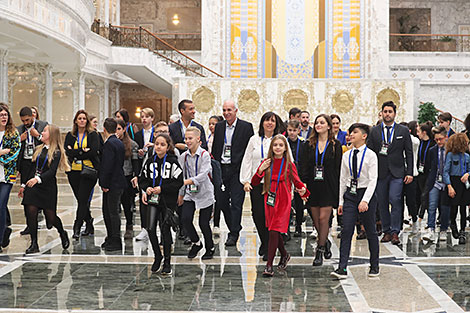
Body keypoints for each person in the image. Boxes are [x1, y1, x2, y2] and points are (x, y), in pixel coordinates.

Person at [252, 134, 308, 277]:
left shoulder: (289, 164)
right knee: (273, 230)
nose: (278, 147)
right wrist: (259, 171)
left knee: (273, 231)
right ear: (272, 147)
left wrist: (305, 192)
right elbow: (254, 183)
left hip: (283, 200)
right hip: (269, 199)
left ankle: (269, 265)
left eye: (281, 145)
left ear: (285, 148)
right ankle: (284, 254)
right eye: (275, 145)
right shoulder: (267, 162)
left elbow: (297, 181)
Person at [331, 123, 379, 279]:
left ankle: (374, 265)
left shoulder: (371, 155)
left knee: (370, 230)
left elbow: (373, 180)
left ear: (364, 136)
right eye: (350, 132)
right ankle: (342, 267)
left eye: (355, 132)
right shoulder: (347, 155)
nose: (351, 134)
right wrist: (340, 202)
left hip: (366, 194)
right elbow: (342, 179)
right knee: (346, 230)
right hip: (350, 195)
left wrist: (365, 200)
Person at [366, 101, 413, 245]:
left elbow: (409, 153)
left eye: (390, 111)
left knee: (395, 199)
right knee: (382, 202)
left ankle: (395, 232)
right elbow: (370, 153)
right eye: (385, 111)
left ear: (395, 114)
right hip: (380, 172)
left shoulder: (402, 131)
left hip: (397, 172)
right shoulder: (374, 131)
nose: (387, 114)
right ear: (381, 113)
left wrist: (410, 172)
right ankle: (386, 231)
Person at [240, 112, 285, 261]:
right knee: (258, 215)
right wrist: (245, 180)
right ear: (262, 123)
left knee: (270, 216)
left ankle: (268, 246)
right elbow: (247, 160)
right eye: (267, 120)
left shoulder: (279, 140)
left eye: (272, 121)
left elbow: (287, 161)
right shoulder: (254, 140)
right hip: (257, 183)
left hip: (274, 184)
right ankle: (265, 241)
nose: (269, 123)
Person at [300, 114, 342, 266]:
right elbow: (303, 166)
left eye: (322, 123)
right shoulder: (308, 144)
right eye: (317, 123)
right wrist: (303, 184)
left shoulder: (335, 145)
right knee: (317, 220)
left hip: (329, 186)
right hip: (313, 185)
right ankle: (325, 242)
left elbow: (338, 168)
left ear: (329, 126)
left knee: (325, 219)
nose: (318, 125)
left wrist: (339, 189)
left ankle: (319, 250)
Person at [22, 124, 71, 254]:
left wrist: (37, 179)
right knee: (31, 212)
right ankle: (34, 243)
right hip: (33, 186)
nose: (41, 133)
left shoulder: (56, 152)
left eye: (44, 131)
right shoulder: (39, 149)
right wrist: (24, 185)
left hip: (47, 187)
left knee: (51, 217)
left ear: (52, 135)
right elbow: (32, 168)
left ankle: (62, 232)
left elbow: (52, 172)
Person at [212, 100, 254, 246]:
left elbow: (249, 151)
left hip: (237, 170)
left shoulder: (246, 127)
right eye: (224, 110)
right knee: (222, 201)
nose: (226, 113)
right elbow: (216, 149)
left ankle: (234, 233)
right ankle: (234, 226)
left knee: (236, 203)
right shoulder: (219, 127)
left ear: (236, 111)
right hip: (222, 169)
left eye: (229, 110)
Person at [140, 133, 183, 274]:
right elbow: (143, 178)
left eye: (162, 144)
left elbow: (178, 181)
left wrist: (162, 188)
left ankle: (167, 261)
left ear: (168, 146)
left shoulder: (172, 161)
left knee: (165, 230)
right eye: (157, 144)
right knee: (151, 228)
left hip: (167, 201)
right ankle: (157, 255)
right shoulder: (150, 161)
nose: (159, 146)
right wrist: (146, 188)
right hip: (153, 200)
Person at [178, 127, 215, 259]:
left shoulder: (205, 155)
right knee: (186, 219)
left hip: (205, 193)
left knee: (203, 223)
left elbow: (203, 175)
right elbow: (180, 176)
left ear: (198, 139)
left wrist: (188, 181)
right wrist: (181, 193)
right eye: (186, 138)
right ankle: (196, 243)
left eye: (190, 138)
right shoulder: (184, 157)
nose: (187, 141)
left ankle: (210, 247)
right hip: (190, 194)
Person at [65, 110, 101, 239]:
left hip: (88, 171)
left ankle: (77, 226)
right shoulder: (70, 135)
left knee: (82, 199)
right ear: (75, 120)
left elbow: (93, 152)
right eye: (79, 118)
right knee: (81, 199)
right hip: (73, 171)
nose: (82, 121)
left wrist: (76, 151)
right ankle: (89, 222)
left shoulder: (93, 135)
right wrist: (82, 151)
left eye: (84, 119)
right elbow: (67, 151)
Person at [17, 106, 48, 236]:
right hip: (25, 163)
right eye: (23, 120)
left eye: (28, 120)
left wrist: (38, 136)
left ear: (33, 117)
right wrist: (20, 139)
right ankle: (29, 225)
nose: (26, 123)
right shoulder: (19, 129)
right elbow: (13, 146)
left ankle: (46, 216)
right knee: (25, 195)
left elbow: (49, 142)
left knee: (38, 192)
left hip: (38, 162)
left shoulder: (43, 125)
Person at [99, 118, 127, 251]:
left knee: (112, 212)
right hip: (118, 181)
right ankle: (111, 237)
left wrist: (104, 183)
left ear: (104, 129)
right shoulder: (118, 142)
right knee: (110, 211)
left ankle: (115, 239)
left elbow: (107, 165)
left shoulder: (110, 143)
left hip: (112, 183)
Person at [422, 126, 450, 242]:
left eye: (441, 139)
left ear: (446, 137)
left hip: (447, 181)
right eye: (436, 139)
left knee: (445, 207)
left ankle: (443, 229)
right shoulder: (432, 151)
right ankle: (431, 229)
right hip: (435, 181)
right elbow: (428, 166)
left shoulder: (450, 150)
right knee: (432, 205)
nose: (438, 142)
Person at [0, 104, 20, 253]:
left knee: (0, 206)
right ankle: (5, 230)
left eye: (5, 115)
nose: (4, 117)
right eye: (1, 115)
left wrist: (2, 156)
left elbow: (14, 153)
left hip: (7, 175)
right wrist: (2, 151)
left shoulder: (13, 133)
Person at [443, 133, 470, 244]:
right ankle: (453, 224)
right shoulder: (450, 155)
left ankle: (463, 231)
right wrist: (449, 186)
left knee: (463, 208)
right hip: (454, 182)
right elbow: (445, 172)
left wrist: (468, 174)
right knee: (453, 207)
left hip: (464, 183)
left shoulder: (467, 157)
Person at [133, 107, 155, 241]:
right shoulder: (138, 135)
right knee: (143, 199)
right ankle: (144, 228)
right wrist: (141, 153)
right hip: (143, 169)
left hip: (155, 169)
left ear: (152, 118)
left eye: (147, 116)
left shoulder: (156, 133)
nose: (144, 119)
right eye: (142, 117)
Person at [116, 119, 139, 239]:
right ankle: (115, 229)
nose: (117, 131)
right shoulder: (110, 143)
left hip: (126, 176)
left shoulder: (132, 144)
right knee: (115, 205)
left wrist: (136, 175)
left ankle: (129, 225)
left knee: (126, 203)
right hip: (115, 177)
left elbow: (135, 162)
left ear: (124, 129)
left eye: (119, 129)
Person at [285, 119, 308, 237]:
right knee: (287, 203)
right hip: (286, 176)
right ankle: (287, 227)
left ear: (298, 131)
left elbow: (305, 162)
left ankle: (298, 226)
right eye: (290, 130)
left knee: (299, 203)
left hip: (299, 175)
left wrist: (302, 180)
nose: (292, 133)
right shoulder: (284, 143)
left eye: (294, 130)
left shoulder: (303, 143)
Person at [401, 121, 419, 232]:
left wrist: (404, 135)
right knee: (398, 200)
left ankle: (414, 218)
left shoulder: (414, 140)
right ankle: (400, 220)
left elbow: (414, 141)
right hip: (399, 174)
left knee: (411, 200)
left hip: (412, 174)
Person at [416, 122, 435, 229]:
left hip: (429, 173)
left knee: (425, 195)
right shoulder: (420, 143)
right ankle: (429, 218)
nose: (417, 133)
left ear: (424, 132)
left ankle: (421, 217)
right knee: (422, 195)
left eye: (419, 131)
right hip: (420, 173)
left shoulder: (432, 144)